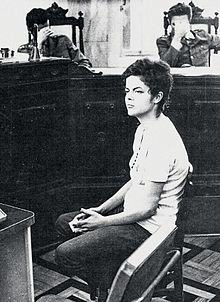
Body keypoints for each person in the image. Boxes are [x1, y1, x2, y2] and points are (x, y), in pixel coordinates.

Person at [54, 58, 190, 298]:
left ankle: (118, 288)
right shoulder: (144, 128)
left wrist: (102, 222)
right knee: (65, 223)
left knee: (65, 254)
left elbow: (148, 210)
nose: (128, 97)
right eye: (127, 90)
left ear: (157, 97)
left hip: (148, 229)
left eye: (138, 91)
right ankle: (115, 278)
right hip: (133, 215)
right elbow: (135, 180)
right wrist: (100, 209)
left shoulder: (162, 140)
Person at [156, 3, 220, 67]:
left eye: (183, 22)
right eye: (175, 24)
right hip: (177, 76)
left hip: (202, 76)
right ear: (170, 23)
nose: (180, 26)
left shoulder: (203, 36)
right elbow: (163, 67)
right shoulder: (163, 41)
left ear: (189, 22)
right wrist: (176, 39)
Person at [24, 8, 92, 68]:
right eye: (42, 31)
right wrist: (38, 45)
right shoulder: (24, 50)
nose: (46, 33)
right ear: (30, 30)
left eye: (47, 28)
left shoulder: (62, 40)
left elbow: (84, 62)